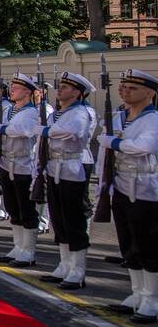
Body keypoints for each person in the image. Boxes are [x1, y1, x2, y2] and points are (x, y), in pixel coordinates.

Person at [97, 68, 158, 322]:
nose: (125, 90)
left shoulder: (152, 119)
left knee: (148, 247)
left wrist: (113, 142)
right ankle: (136, 293)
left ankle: (152, 300)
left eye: (132, 87)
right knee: (129, 246)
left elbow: (145, 147)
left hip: (146, 191)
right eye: (123, 86)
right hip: (120, 187)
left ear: (150, 93)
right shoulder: (120, 117)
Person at [37, 71, 96, 290]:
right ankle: (64, 265)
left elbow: (72, 132)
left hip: (74, 167)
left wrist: (47, 131)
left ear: (77, 92)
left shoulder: (81, 112)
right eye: (60, 86)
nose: (59, 89)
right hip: (55, 167)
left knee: (74, 219)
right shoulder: (57, 114)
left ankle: (78, 270)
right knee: (59, 219)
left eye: (65, 87)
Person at [0, 73, 42, 267]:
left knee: (26, 209)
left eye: (17, 88)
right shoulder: (10, 110)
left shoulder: (31, 112)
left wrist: (3, 129)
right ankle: (18, 247)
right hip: (7, 163)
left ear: (28, 92)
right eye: (12, 87)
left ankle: (28, 251)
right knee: (13, 208)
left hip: (23, 166)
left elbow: (24, 131)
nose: (11, 90)